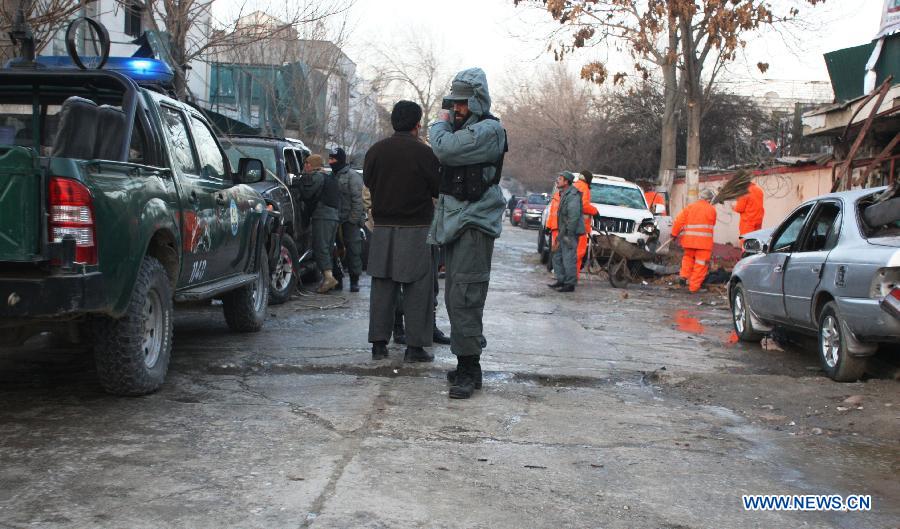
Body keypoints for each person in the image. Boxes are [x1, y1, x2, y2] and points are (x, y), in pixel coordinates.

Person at [429, 67, 507, 399]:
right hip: (459, 223)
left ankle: (468, 368)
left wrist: (439, 122)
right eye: (453, 103)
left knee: (466, 297)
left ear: (477, 100)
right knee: (456, 297)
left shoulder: (489, 130)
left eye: (461, 103)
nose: (455, 109)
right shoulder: (468, 129)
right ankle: (468, 365)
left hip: (474, 224)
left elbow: (444, 148)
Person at [364, 100, 440, 362]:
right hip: (416, 228)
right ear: (417, 124)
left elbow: (368, 182)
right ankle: (414, 348)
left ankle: (378, 345)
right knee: (418, 288)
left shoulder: (375, 151)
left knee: (382, 286)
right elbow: (437, 188)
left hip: (382, 228)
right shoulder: (425, 154)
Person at [297, 154, 341, 293]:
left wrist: (299, 183)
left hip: (323, 216)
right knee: (327, 248)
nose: (305, 166)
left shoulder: (317, 177)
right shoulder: (329, 177)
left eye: (307, 163)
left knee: (320, 247)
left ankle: (328, 278)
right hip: (333, 217)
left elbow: (307, 193)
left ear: (313, 165)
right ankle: (328, 278)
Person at [330, 147, 365, 292]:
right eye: (330, 159)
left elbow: (358, 201)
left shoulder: (352, 176)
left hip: (349, 221)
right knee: (334, 251)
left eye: (333, 159)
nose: (330, 162)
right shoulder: (330, 176)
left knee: (353, 251)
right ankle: (337, 279)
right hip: (334, 220)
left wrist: (353, 220)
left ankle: (354, 280)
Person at [671, 188, 717, 293]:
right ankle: (694, 288)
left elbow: (679, 221)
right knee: (700, 265)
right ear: (709, 199)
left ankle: (683, 276)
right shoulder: (712, 210)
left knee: (688, 259)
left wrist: (674, 234)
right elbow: (713, 223)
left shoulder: (690, 207)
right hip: (704, 244)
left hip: (689, 241)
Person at [548, 171, 583, 293]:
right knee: (557, 256)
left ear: (566, 182)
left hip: (569, 233)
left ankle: (570, 284)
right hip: (563, 231)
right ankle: (561, 280)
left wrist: (569, 234)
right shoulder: (564, 193)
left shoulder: (573, 195)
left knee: (568, 258)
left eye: (560, 179)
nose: (557, 180)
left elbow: (573, 217)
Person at [573, 171, 598, 274]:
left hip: (570, 225)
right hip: (580, 227)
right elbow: (584, 206)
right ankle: (572, 277)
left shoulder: (573, 186)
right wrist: (595, 211)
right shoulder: (584, 187)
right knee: (579, 252)